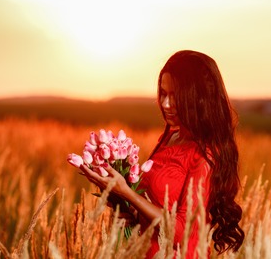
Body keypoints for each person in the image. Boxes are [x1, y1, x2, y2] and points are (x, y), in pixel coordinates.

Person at [80, 50, 245, 258]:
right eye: (163, 93)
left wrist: (128, 194)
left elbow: (183, 233)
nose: (166, 104)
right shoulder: (170, 138)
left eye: (176, 96)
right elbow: (156, 206)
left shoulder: (205, 154)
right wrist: (129, 212)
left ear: (198, 98)